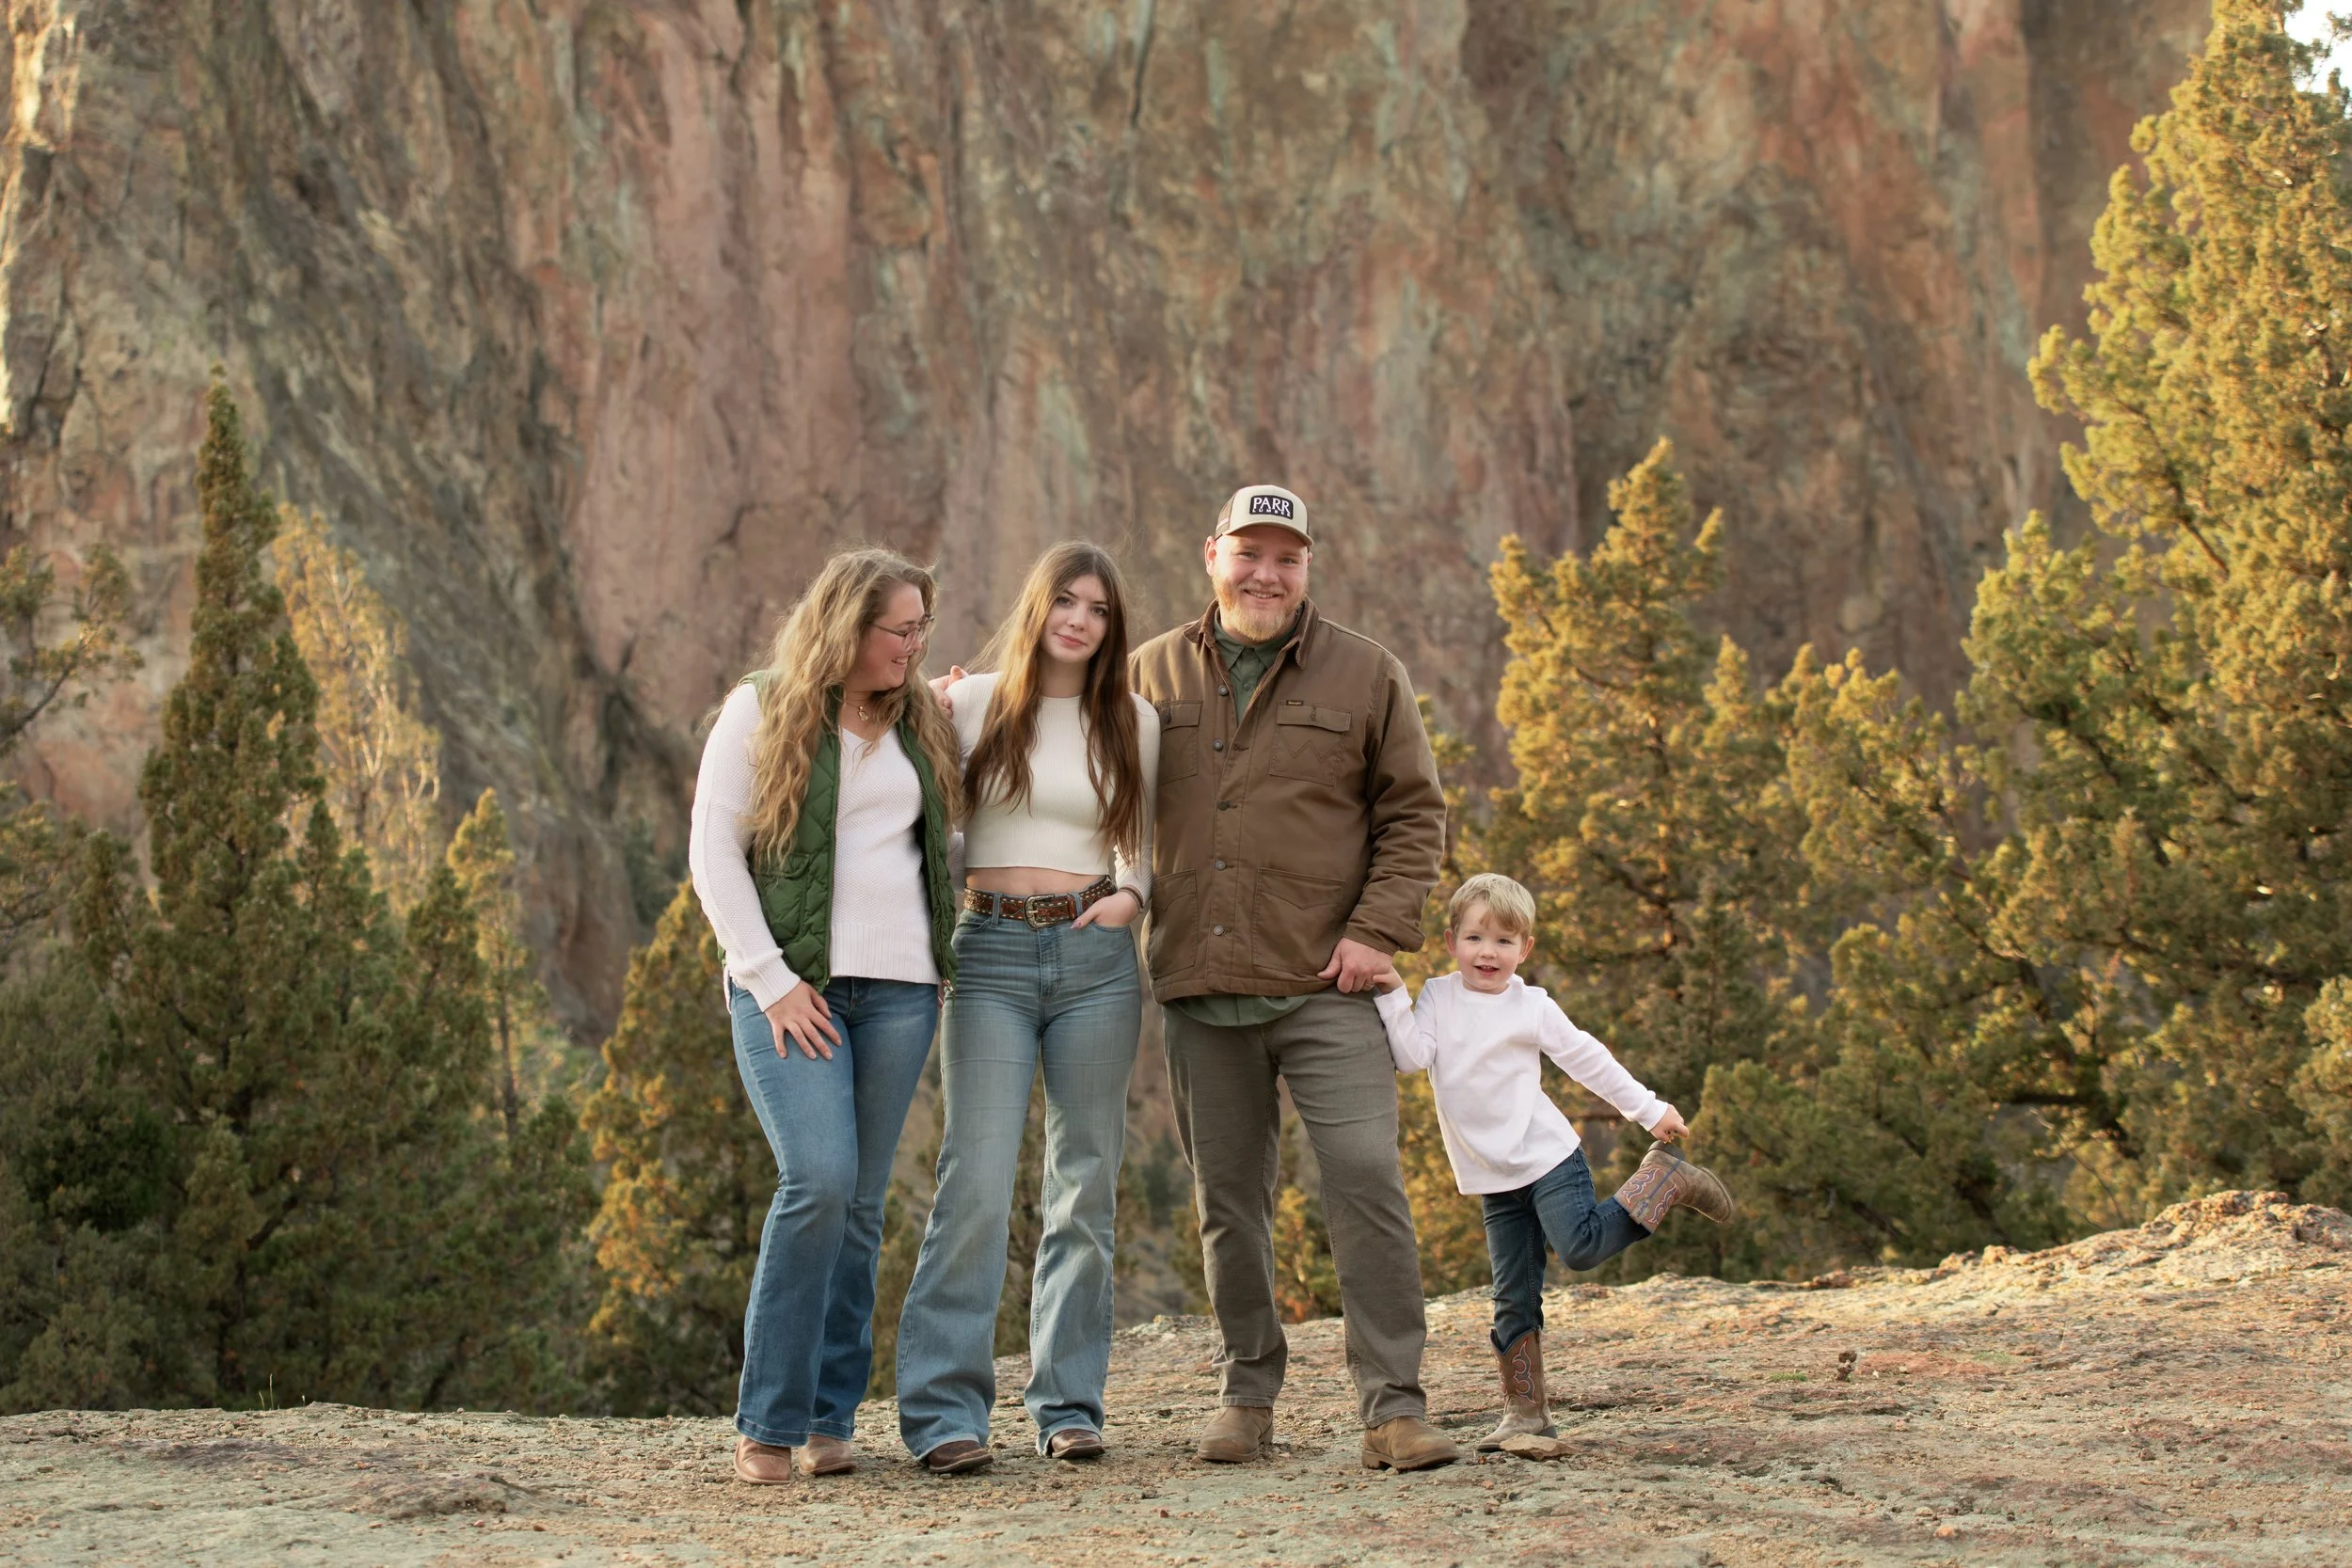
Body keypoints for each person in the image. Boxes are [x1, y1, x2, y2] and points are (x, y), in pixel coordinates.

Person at [1129, 483, 1458, 1472]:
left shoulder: (1366, 672)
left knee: (1363, 1179)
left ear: (1307, 565)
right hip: (1200, 983)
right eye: (1248, 552)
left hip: (1330, 985)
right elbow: (1076, 775)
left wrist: (1376, 931)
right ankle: (1246, 1394)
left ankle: (1393, 1405)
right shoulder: (1146, 672)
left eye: (1287, 556)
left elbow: (1414, 813)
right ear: (1211, 555)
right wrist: (965, 704)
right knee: (1229, 1199)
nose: (1266, 572)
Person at [686, 548, 962, 1485]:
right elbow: (712, 853)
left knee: (859, 1202)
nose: (915, 645)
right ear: (846, 626)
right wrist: (768, 978)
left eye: (923, 627)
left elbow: (1029, 691)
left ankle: (829, 1417)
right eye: (900, 629)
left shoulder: (923, 711)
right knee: (818, 1177)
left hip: (900, 992)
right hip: (790, 988)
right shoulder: (758, 708)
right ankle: (767, 1422)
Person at [895, 543, 1160, 1475]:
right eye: (1064, 601)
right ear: (1037, 606)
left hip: (1094, 960)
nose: (1078, 619)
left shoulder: (1133, 717)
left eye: (1096, 606)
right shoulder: (970, 701)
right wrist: (921, 702)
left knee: (1083, 1180)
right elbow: (915, 804)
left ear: (1110, 624)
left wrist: (1128, 896)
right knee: (975, 1176)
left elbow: (1141, 836)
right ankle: (942, 1414)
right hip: (993, 951)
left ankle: (1068, 1403)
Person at [1372, 873, 1737, 1451]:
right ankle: (1527, 1418)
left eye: (1504, 941)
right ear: (1450, 942)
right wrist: (1391, 992)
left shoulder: (1531, 1005)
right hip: (1493, 1178)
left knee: (1581, 1247)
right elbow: (1412, 1059)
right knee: (1512, 1293)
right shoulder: (1438, 997)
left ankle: (1664, 1179)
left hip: (1547, 1158)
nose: (1488, 953)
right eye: (1475, 938)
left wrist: (1649, 1109)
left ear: (1526, 949)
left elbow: (1587, 1060)